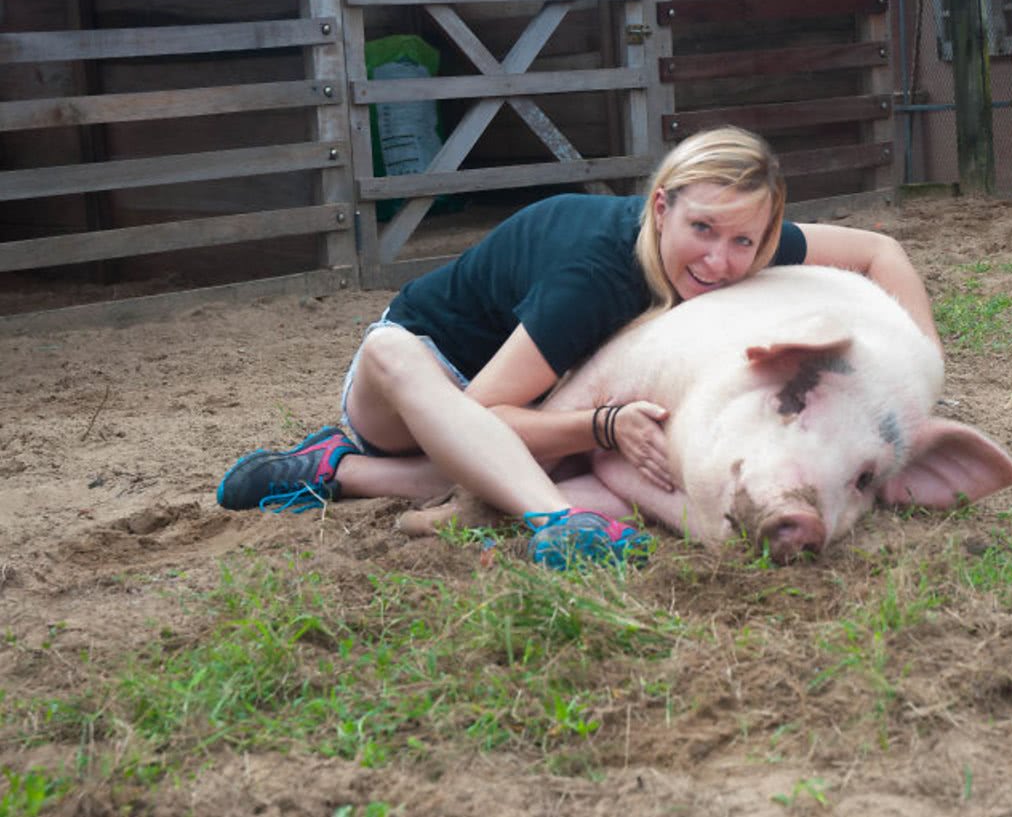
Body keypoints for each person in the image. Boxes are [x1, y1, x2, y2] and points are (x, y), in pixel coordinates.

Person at [217, 126, 942, 568]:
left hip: (525, 390)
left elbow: (881, 253)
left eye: (743, 242)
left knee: (510, 454)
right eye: (703, 231)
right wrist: (603, 424)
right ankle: (556, 522)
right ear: (662, 206)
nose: (721, 261)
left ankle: (333, 471)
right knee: (395, 356)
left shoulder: (738, 241)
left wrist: (916, 375)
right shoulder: (596, 273)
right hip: (428, 380)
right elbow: (480, 413)